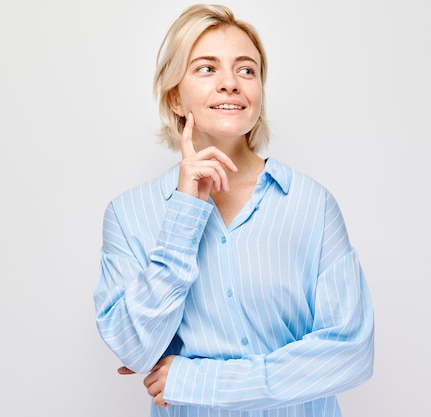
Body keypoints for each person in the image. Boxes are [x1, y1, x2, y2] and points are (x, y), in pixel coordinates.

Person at [93, 4, 374, 416]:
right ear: (174, 94)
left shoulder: (311, 206)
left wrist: (200, 381)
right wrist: (186, 212)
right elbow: (134, 349)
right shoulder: (128, 215)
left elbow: (350, 353)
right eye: (207, 69)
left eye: (246, 70)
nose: (231, 84)